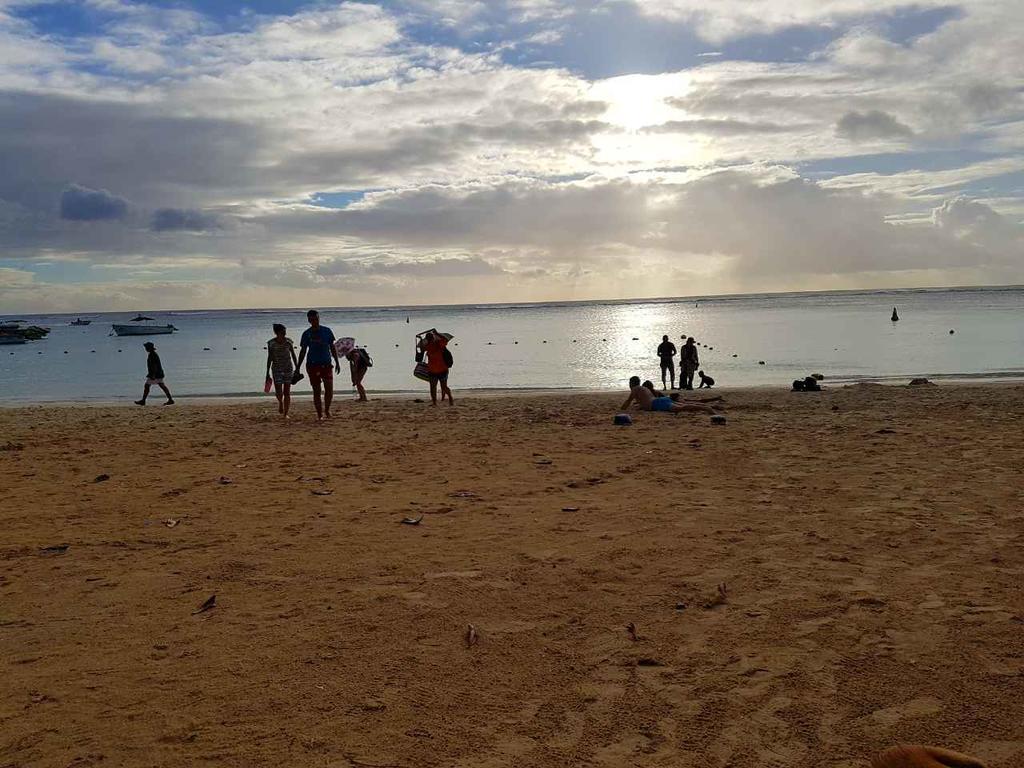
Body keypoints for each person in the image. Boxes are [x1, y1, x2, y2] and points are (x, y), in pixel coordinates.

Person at [295, 309, 340, 420]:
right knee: (317, 391)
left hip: (326, 363)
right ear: (309, 320)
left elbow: (332, 347)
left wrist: (337, 362)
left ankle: (327, 410)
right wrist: (298, 367)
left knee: (329, 389)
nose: (315, 321)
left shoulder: (327, 331)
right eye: (313, 319)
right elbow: (303, 351)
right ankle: (320, 414)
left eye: (317, 318)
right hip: (312, 364)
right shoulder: (306, 334)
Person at [621, 376, 715, 415]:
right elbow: (644, 403)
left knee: (682, 408)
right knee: (682, 405)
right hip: (660, 401)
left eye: (630, 383)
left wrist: (621, 410)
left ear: (632, 383)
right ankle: (705, 407)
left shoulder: (635, 388)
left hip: (657, 403)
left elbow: (628, 401)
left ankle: (706, 408)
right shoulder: (643, 389)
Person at [266, 323, 298, 418]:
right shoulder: (271, 343)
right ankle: (280, 402)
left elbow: (293, 354)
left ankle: (286, 413)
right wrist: (267, 372)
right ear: (277, 332)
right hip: (276, 369)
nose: (284, 333)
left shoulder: (289, 342)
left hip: (288, 368)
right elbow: (270, 357)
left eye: (285, 331)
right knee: (279, 392)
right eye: (282, 331)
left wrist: (297, 367)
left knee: (287, 392)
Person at [419, 329, 453, 406]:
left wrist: (437, 333)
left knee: (441, 387)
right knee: (435, 387)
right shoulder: (428, 346)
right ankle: (435, 402)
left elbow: (445, 339)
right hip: (433, 370)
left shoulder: (439, 344)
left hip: (441, 369)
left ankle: (449, 398)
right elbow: (421, 348)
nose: (430, 340)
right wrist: (420, 338)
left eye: (429, 338)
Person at [135, 341, 174, 406]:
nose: (145, 349)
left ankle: (143, 401)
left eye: (146, 347)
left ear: (149, 348)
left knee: (147, 386)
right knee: (161, 386)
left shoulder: (152, 355)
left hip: (155, 374)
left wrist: (153, 375)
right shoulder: (153, 354)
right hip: (158, 373)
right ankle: (170, 399)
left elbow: (154, 365)